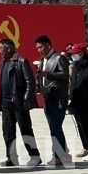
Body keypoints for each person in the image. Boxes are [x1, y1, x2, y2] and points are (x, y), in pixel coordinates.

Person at [0, 38, 41, 167]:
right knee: (8, 131)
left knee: (25, 129)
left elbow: (30, 82)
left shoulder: (21, 61)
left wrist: (27, 99)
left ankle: (35, 156)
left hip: (19, 102)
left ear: (9, 48)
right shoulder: (2, 63)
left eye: (0, 48)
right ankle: (11, 158)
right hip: (5, 103)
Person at [35, 34, 71, 165]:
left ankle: (59, 155)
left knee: (55, 126)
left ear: (48, 45)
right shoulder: (42, 61)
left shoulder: (59, 58)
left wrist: (48, 74)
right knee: (53, 127)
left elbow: (65, 75)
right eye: (37, 48)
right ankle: (63, 153)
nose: (39, 50)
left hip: (58, 98)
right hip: (47, 98)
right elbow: (41, 78)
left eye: (41, 47)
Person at [68, 43, 88, 162]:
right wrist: (71, 97)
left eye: (74, 53)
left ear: (81, 53)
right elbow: (73, 83)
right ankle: (87, 147)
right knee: (81, 126)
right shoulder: (76, 66)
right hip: (77, 101)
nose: (72, 56)